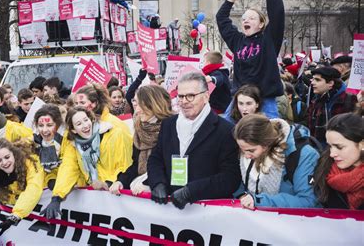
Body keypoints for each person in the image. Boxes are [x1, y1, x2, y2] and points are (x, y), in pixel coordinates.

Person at [147, 72, 241, 210]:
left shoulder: (226, 130)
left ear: (206, 96)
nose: (184, 101)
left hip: (207, 211)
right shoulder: (168, 124)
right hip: (170, 209)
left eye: (190, 96)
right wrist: (157, 183)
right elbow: (156, 158)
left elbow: (230, 178)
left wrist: (191, 191)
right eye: (180, 96)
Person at [42, 106, 132, 220]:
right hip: (97, 196)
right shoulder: (74, 145)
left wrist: (109, 184)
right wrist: (57, 197)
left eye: (86, 120)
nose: (85, 125)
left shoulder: (114, 134)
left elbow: (125, 165)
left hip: (119, 192)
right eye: (79, 124)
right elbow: (68, 169)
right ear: (73, 130)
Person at [217, 0, 284, 118]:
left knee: (270, 133)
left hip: (265, 99)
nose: (246, 20)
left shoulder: (269, 39)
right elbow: (221, 19)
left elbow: (277, 13)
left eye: (252, 18)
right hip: (241, 100)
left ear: (261, 24)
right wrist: (229, 1)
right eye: (243, 19)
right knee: (226, 131)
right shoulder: (237, 40)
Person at [233, 114, 320, 208]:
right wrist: (241, 194)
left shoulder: (304, 155)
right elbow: (244, 178)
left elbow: (309, 201)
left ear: (266, 144)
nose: (246, 156)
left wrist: (260, 201)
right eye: (242, 150)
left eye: (251, 150)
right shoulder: (250, 146)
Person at [110, 85, 172, 195]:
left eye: (140, 105)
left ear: (153, 104)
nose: (137, 110)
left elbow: (172, 167)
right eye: (135, 103)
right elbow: (136, 165)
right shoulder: (139, 128)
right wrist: (121, 181)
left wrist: (150, 184)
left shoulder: (171, 128)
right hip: (140, 190)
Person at [0, 138, 44, 236]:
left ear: (14, 154)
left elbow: (34, 187)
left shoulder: (31, 162)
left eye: (7, 157)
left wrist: (16, 215)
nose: (4, 162)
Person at [313, 113, 363, 210]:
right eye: (330, 146)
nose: (332, 154)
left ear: (361, 145)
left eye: (339, 147)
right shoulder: (323, 168)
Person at [307, 67, 357, 145]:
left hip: (339, 147)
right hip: (318, 146)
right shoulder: (317, 98)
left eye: (317, 80)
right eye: (313, 79)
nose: (312, 83)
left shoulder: (348, 99)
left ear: (330, 83)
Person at [33, 104, 65, 190]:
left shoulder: (67, 142)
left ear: (58, 125)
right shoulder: (33, 144)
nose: (44, 130)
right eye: (41, 125)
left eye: (49, 125)